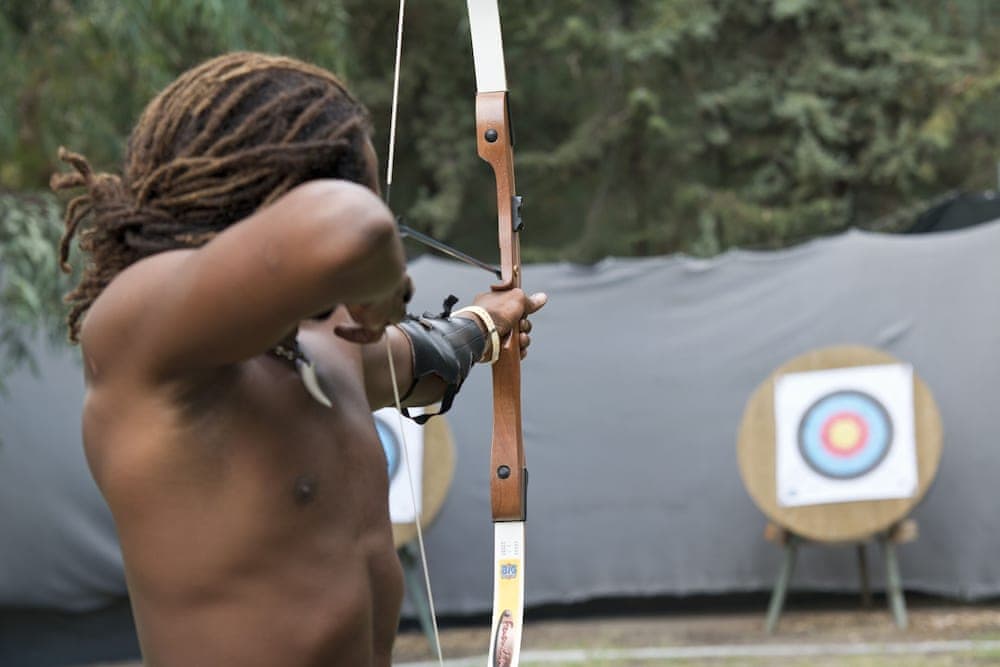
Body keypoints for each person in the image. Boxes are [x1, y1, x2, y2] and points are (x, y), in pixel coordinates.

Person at [52, 52, 546, 667]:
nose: (386, 222)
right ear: (286, 196)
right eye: (369, 194)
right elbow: (356, 232)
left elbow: (431, 356)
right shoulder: (139, 337)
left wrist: (489, 323)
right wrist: (377, 283)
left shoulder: (325, 347)